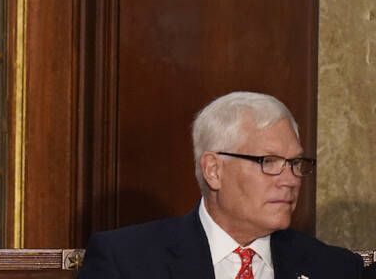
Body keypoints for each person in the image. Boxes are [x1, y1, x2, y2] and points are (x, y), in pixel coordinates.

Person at [79, 91, 364, 278]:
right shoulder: (127, 262)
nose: (290, 180)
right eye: (269, 161)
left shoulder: (333, 268)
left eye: (295, 164)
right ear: (214, 170)